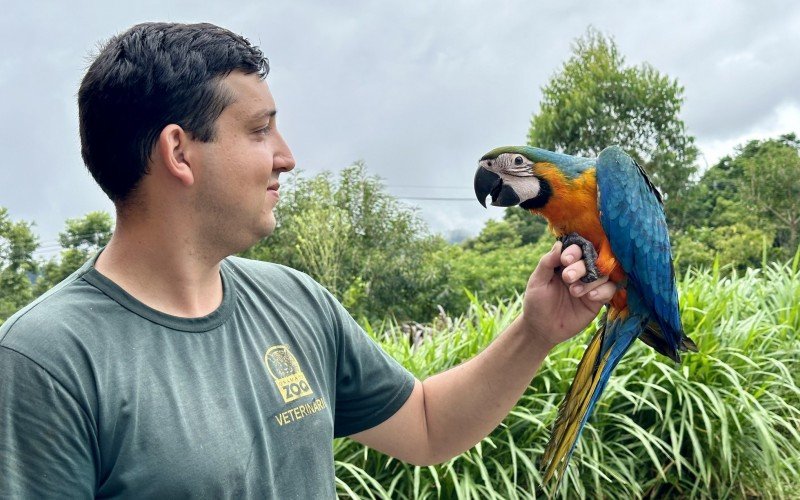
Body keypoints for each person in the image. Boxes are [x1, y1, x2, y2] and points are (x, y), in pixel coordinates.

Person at [0, 22, 617, 498]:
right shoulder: (46, 362)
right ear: (178, 152)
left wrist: (534, 333)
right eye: (259, 130)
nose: (286, 157)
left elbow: (428, 427)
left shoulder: (294, 302)